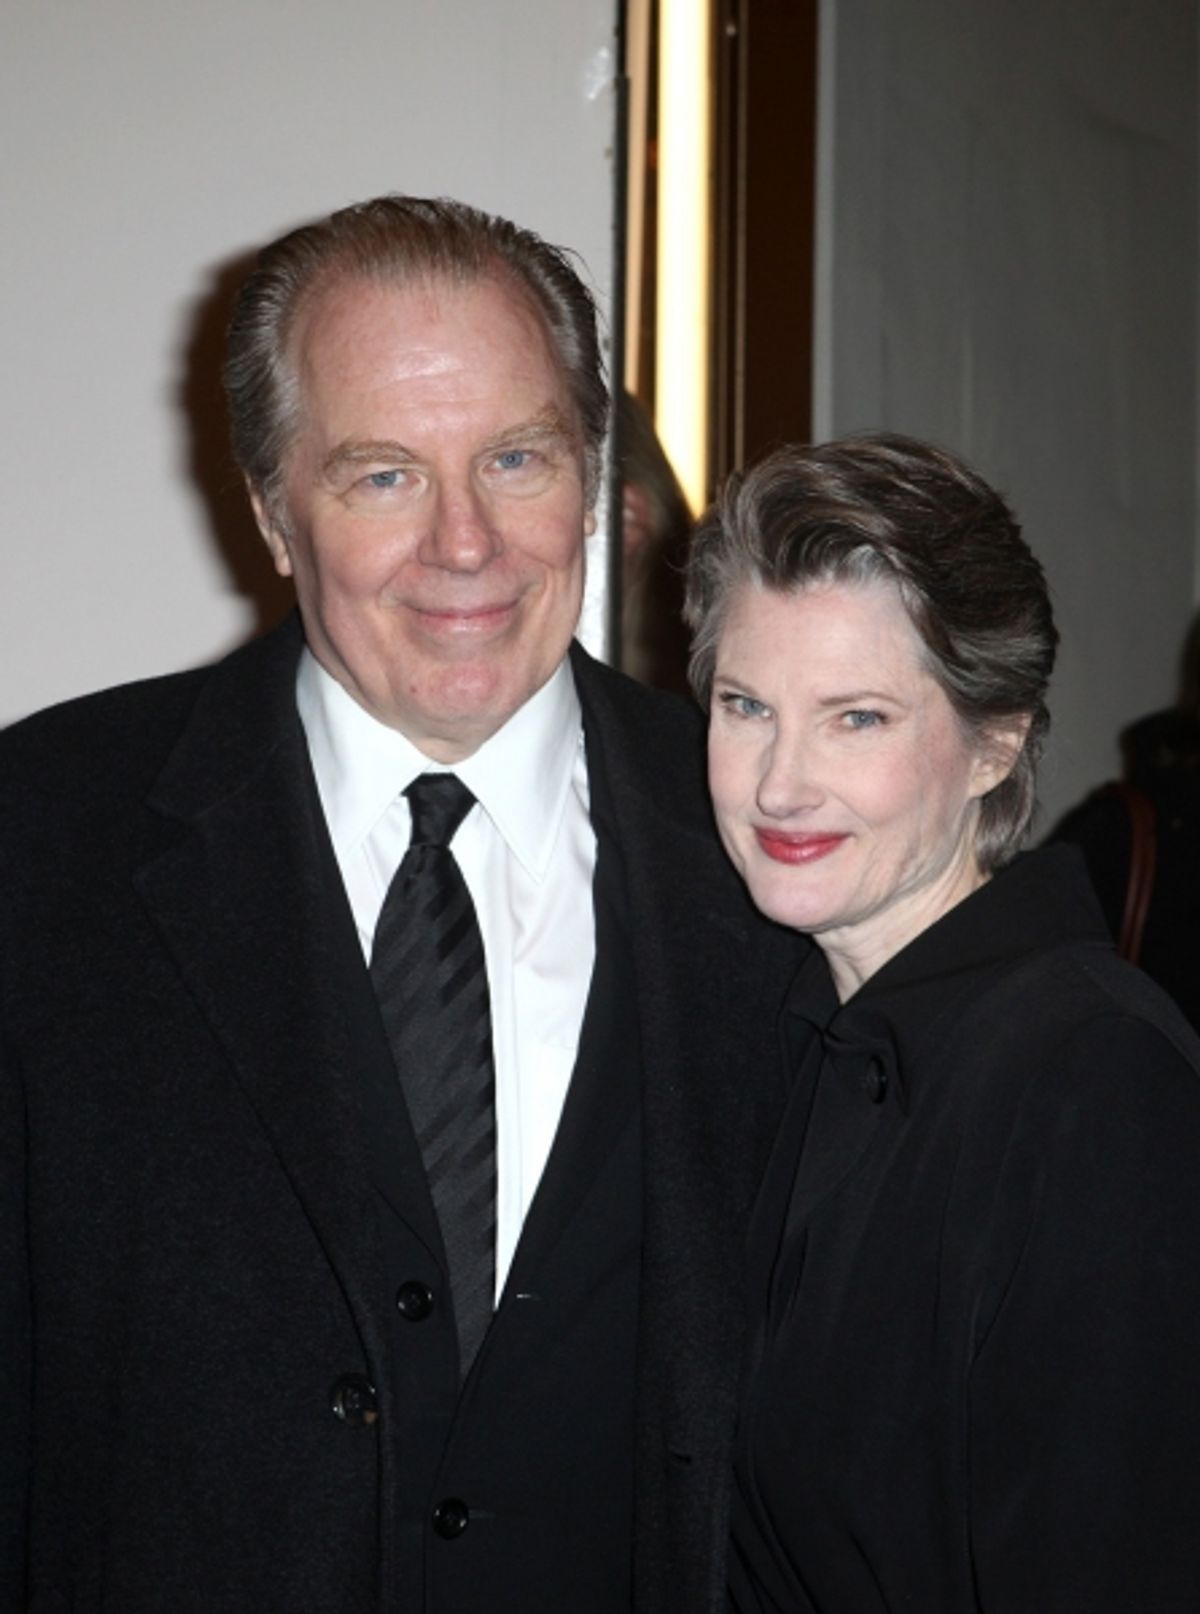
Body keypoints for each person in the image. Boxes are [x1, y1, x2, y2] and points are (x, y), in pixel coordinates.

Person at [0, 195, 798, 1613]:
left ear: (595, 473)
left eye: (515, 457)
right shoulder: (43, 834)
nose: (467, 546)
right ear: (269, 509)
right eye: (382, 475)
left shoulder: (770, 834)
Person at [682, 434, 1200, 1612]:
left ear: (996, 742)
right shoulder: (785, 1034)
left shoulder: (1093, 1084)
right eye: (745, 705)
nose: (779, 784)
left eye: (855, 719)